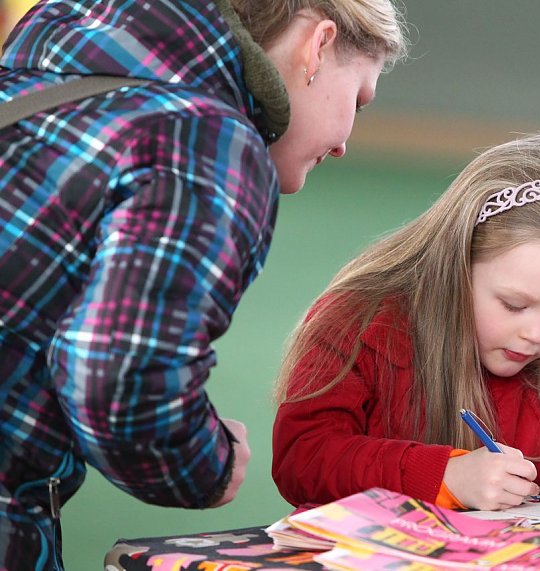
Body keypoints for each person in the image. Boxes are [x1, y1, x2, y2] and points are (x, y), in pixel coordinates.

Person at [0, 0, 408, 568]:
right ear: (317, 46)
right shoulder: (202, 139)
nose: (343, 143)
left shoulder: (28, 90)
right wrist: (208, 463)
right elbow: (116, 380)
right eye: (358, 101)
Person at [272, 132, 540, 513]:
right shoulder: (361, 320)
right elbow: (303, 459)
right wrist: (449, 478)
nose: (537, 335)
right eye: (513, 305)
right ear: (455, 266)